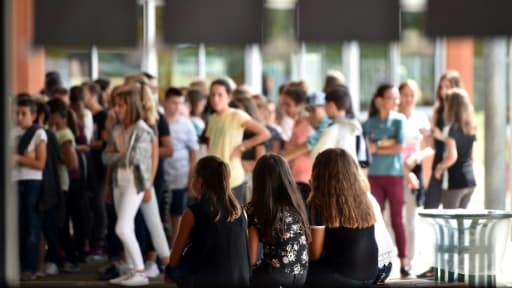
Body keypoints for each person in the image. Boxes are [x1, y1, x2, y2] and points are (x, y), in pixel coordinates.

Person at [165, 156, 251, 287]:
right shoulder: (240, 212)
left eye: (193, 176)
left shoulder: (193, 212)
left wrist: (170, 272)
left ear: (200, 182)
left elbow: (174, 259)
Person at [102, 84, 154, 286]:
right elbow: (105, 157)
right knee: (127, 227)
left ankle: (141, 273)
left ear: (131, 106)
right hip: (119, 181)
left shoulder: (143, 130)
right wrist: (120, 156)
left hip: (135, 182)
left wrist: (117, 155)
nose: (116, 109)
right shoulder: (117, 129)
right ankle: (133, 270)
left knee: (122, 228)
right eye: (116, 105)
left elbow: (135, 158)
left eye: (121, 105)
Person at [306, 148, 378, 286]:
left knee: (295, 273)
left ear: (320, 174)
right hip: (369, 275)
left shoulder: (318, 202)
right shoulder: (363, 198)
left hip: (340, 277)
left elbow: (314, 254)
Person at [363, 84, 410, 277]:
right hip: (374, 176)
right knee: (376, 219)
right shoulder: (368, 124)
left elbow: (400, 147)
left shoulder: (399, 120)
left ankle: (404, 263)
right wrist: (387, 143)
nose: (396, 102)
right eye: (392, 97)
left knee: (397, 220)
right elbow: (366, 149)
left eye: (397, 98)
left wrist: (378, 145)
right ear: (380, 100)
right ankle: (376, 260)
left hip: (394, 176)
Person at [205, 78, 270, 205]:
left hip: (233, 177)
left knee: (236, 218)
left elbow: (264, 133)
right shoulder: (212, 118)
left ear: (229, 97)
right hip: (215, 179)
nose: (215, 99)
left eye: (220, 95)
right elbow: (211, 146)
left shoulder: (237, 115)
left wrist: (242, 147)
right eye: (212, 95)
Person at [248, 154, 310, 287]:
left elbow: (252, 259)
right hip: (302, 273)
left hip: (275, 276)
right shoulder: (296, 203)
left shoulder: (255, 209)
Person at [13, 95, 48, 281]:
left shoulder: (38, 133)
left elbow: (40, 163)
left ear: (34, 115)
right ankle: (17, 264)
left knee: (32, 224)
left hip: (32, 182)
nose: (19, 117)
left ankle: (30, 266)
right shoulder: (11, 132)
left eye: (23, 113)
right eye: (17, 113)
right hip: (14, 181)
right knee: (17, 224)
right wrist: (28, 158)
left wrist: (19, 159)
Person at [163, 87, 199, 246]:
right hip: (161, 174)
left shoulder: (186, 124)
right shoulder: (159, 121)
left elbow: (193, 153)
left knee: (177, 212)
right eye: (173, 102)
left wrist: (192, 178)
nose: (177, 107)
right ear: (165, 102)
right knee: (160, 211)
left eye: (180, 103)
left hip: (181, 174)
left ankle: (174, 245)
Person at [424, 70, 462, 209]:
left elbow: (463, 142)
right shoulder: (438, 110)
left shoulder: (462, 113)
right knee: (429, 208)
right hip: (438, 162)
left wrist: (442, 136)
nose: (443, 91)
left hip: (454, 166)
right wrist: (429, 134)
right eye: (441, 87)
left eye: (448, 87)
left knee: (452, 214)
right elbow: (432, 144)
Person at [434, 88, 476, 209]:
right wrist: (441, 137)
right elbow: (471, 156)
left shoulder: (450, 128)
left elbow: (452, 156)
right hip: (469, 180)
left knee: (450, 223)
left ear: (451, 105)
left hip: (454, 182)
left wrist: (439, 167)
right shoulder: (470, 128)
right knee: (461, 223)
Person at [310, 85, 362, 162]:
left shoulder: (332, 130)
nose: (324, 108)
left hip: (335, 172)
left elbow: (316, 157)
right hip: (351, 172)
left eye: (325, 105)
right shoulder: (355, 127)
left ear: (331, 105)